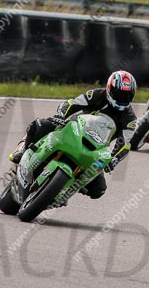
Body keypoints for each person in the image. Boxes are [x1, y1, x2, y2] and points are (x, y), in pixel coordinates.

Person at [9, 71, 138, 199]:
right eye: (119, 94)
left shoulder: (130, 119)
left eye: (126, 96)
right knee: (39, 125)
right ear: (109, 89)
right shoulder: (97, 94)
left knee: (99, 189)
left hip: (95, 148)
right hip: (72, 129)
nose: (122, 99)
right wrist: (60, 115)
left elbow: (125, 144)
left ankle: (65, 187)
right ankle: (23, 149)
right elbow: (71, 103)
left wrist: (114, 159)